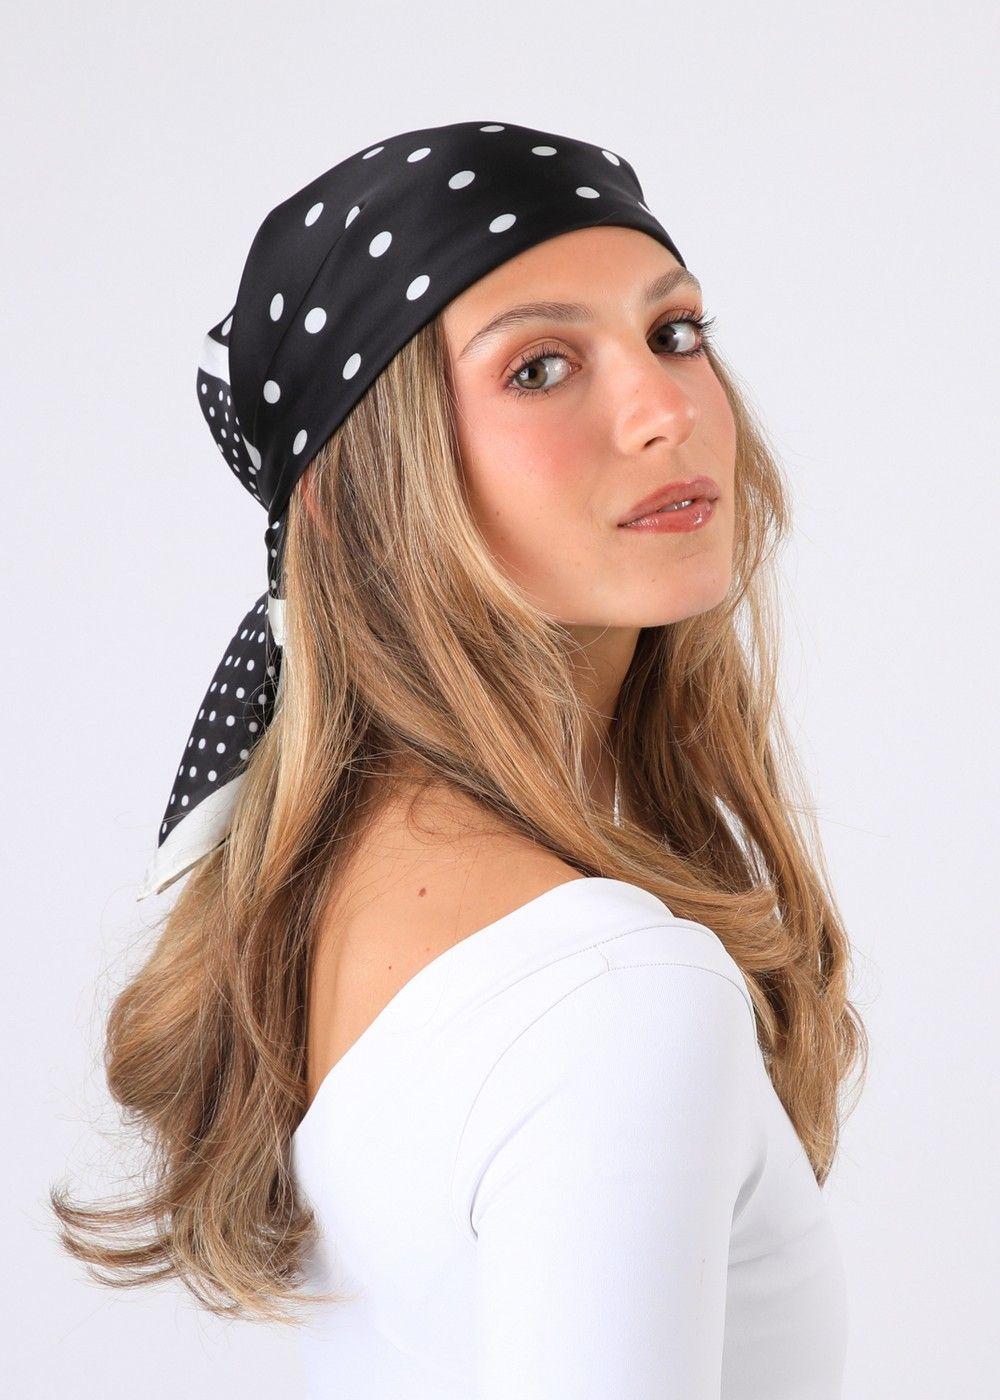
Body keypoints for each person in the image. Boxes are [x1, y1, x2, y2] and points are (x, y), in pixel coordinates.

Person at [51, 120, 868, 1398]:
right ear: (357, 494)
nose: (665, 410)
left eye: (674, 331)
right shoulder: (613, 989)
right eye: (538, 367)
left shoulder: (330, 896)